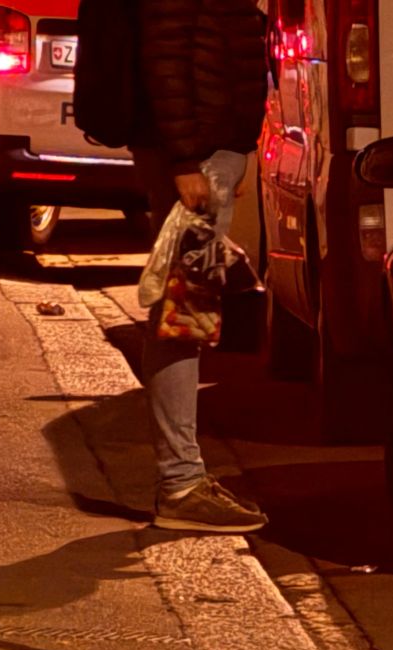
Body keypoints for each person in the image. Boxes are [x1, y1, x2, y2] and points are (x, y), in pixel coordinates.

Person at [131, 0, 269, 532]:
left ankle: (182, 478)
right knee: (182, 311)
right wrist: (186, 159)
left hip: (213, 147)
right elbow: (164, 52)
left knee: (184, 308)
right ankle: (180, 483)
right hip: (199, 151)